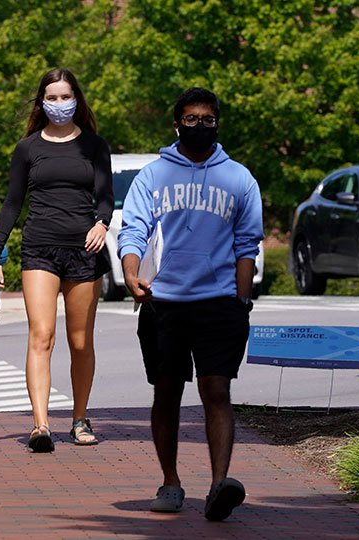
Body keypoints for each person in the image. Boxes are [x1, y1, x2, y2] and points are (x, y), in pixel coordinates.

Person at [118, 87, 263, 521]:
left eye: (208, 119)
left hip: (219, 302)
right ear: (176, 123)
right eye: (191, 119)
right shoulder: (153, 176)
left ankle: (219, 486)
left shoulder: (239, 178)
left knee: (216, 390)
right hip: (164, 303)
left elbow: (247, 244)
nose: (199, 126)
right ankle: (171, 482)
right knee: (167, 393)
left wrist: (242, 298)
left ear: (217, 122)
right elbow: (134, 230)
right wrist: (130, 275)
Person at [0, 68, 113, 453]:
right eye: (52, 97)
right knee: (41, 335)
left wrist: (102, 223)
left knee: (79, 341)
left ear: (77, 99)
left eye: (65, 96)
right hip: (39, 248)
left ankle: (79, 418)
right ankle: (40, 424)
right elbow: (12, 203)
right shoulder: (27, 149)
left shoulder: (94, 145)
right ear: (42, 101)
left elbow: (105, 195)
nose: (59, 104)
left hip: (84, 251)